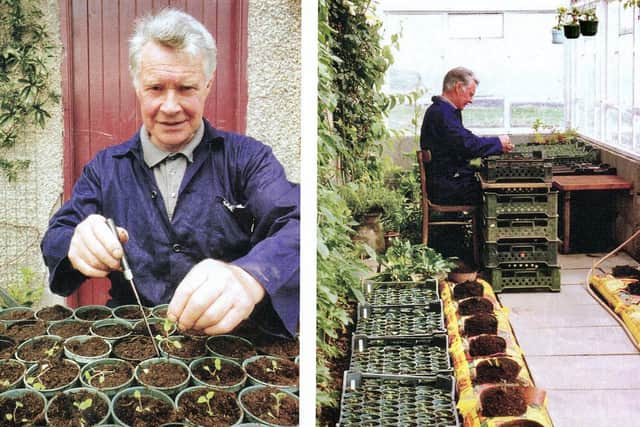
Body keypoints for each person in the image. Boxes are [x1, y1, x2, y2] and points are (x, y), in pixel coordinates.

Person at [40, 9, 299, 338]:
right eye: (156, 88)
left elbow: (297, 221)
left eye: (186, 88)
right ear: (138, 87)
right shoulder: (106, 169)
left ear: (207, 85)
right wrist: (75, 243)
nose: (171, 106)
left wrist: (250, 277)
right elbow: (58, 234)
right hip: (133, 337)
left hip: (228, 339)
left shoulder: (247, 159)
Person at [420, 67, 513, 205]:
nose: (471, 100)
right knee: (501, 189)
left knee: (490, 180)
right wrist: (498, 142)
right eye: (470, 94)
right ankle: (494, 225)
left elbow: (464, 139)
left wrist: (496, 145)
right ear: (458, 87)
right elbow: (466, 145)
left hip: (448, 181)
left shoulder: (443, 111)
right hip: (448, 187)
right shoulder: (442, 113)